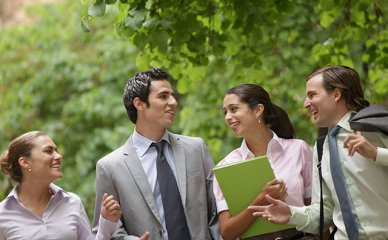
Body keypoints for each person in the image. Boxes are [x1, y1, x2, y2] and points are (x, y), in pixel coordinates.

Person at [249, 65, 388, 239]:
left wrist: (377, 154)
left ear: (336, 94)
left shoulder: (378, 128)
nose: (306, 104)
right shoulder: (321, 149)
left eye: (312, 95)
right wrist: (291, 214)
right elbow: (325, 213)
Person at [92, 67, 221, 240]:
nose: (173, 102)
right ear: (139, 104)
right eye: (163, 96)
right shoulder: (110, 167)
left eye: (172, 95)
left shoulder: (195, 149)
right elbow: (107, 230)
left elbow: (217, 208)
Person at [213, 84, 314, 239]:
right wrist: (262, 198)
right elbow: (227, 232)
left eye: (234, 109)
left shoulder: (299, 149)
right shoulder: (226, 165)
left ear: (258, 110)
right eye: (225, 112)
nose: (227, 117)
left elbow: (315, 210)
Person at [0, 131, 122, 240]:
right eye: (48, 151)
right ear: (25, 162)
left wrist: (107, 222)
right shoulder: (3, 215)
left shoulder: (73, 202)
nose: (59, 156)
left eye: (56, 151)